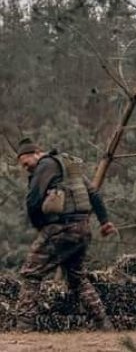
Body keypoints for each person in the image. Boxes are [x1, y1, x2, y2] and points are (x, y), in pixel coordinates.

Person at [14, 138, 117, 331]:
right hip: (82, 229)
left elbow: (33, 200)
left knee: (31, 273)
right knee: (77, 279)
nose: (26, 168)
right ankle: (105, 325)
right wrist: (104, 222)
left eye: (26, 163)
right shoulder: (67, 164)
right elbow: (93, 194)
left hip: (61, 228)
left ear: (36, 153)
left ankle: (23, 328)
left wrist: (40, 228)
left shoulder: (45, 165)